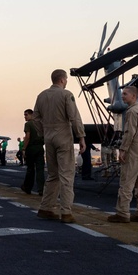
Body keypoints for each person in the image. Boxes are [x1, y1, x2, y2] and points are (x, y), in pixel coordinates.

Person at [34, 69, 86, 224]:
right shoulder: (66, 95)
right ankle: (66, 212)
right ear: (63, 80)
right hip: (63, 135)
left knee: (52, 174)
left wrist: (43, 133)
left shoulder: (41, 96)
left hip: (48, 137)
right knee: (66, 175)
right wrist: (81, 137)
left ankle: (46, 208)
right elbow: (74, 117)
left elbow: (35, 118)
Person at [108, 83, 138, 224]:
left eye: (125, 94)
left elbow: (129, 132)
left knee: (127, 181)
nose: (122, 96)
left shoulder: (132, 111)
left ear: (133, 96)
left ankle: (122, 213)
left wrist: (123, 149)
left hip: (134, 149)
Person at [20, 109, 45, 195]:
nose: (25, 117)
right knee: (40, 169)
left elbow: (27, 137)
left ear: (31, 115)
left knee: (30, 169)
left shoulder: (28, 124)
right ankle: (41, 189)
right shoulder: (40, 123)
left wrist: (23, 149)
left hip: (31, 148)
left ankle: (27, 187)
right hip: (40, 148)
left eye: (26, 115)